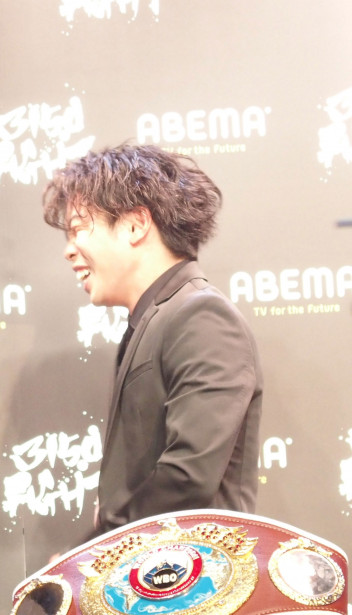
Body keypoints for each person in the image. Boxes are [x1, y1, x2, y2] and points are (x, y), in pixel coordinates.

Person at [42, 143, 262, 541]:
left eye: (78, 230)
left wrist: (98, 551)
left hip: (194, 571)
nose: (69, 251)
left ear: (135, 225)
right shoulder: (154, 320)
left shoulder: (202, 316)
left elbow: (188, 477)